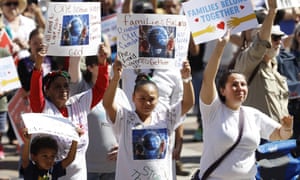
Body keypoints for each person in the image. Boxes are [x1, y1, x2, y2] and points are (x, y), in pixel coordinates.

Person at [197, 30, 293, 180]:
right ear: (222, 90)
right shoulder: (213, 110)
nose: (240, 88)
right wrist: (220, 46)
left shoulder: (253, 114)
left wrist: (287, 128)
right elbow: (208, 79)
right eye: (234, 85)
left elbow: (280, 135)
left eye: (243, 84)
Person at [103, 60, 194, 180]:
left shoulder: (165, 118)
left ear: (158, 99)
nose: (146, 103)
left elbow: (188, 103)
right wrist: (115, 79)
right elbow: (108, 104)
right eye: (142, 98)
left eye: (151, 99)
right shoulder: (124, 118)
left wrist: (186, 79)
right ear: (133, 98)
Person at [29, 45, 109, 179]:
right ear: (47, 91)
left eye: (66, 85)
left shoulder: (79, 103)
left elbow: (100, 89)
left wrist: (102, 63)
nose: (63, 90)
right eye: (57, 87)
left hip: (79, 175)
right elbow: (35, 93)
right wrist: (38, 64)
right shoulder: (44, 109)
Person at [68, 40, 129, 180]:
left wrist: (124, 147)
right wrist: (79, 40)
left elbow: (129, 125)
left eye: (107, 62)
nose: (106, 66)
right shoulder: (81, 90)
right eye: (100, 62)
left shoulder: (119, 93)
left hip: (114, 168)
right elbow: (73, 63)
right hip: (88, 168)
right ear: (89, 67)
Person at [233, 0, 290, 124]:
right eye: (274, 38)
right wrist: (272, 12)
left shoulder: (275, 64)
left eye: (280, 38)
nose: (279, 42)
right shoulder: (247, 61)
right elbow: (261, 43)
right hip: (259, 137)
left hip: (279, 136)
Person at [0, 47, 11, 159]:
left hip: (1, 102)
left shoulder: (4, 53)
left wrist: (3, 91)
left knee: (0, 130)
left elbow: (11, 78)